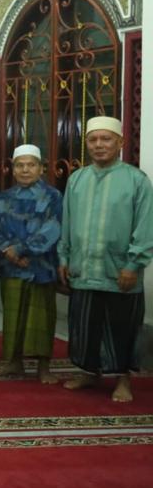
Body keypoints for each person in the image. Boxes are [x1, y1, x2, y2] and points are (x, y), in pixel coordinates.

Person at [58, 116, 153, 403]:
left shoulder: (136, 180)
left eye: (106, 139)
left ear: (120, 143)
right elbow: (67, 222)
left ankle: (123, 379)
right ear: (86, 143)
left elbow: (145, 227)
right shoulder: (77, 179)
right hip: (83, 268)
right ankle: (89, 371)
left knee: (122, 327)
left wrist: (133, 265)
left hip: (119, 271)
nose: (99, 145)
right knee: (85, 325)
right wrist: (64, 257)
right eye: (93, 139)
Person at [0, 144, 62, 384]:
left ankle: (43, 367)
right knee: (13, 317)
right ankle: (13, 362)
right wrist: (7, 252)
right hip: (11, 267)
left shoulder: (53, 196)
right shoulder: (4, 197)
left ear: (41, 168)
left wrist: (20, 249)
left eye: (31, 165)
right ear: (13, 169)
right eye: (20, 165)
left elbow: (53, 228)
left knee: (41, 318)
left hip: (41, 266)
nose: (25, 170)